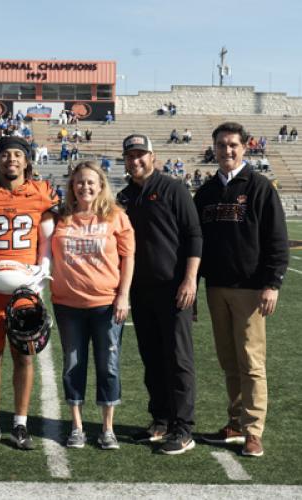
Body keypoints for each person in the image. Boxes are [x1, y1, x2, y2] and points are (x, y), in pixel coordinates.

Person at [194, 122, 289, 457]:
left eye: (233, 145)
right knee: (228, 360)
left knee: (251, 361)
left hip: (250, 289)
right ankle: (234, 422)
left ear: (245, 147)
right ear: (214, 149)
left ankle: (253, 430)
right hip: (215, 288)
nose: (227, 151)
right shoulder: (205, 193)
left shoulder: (261, 187)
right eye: (221, 145)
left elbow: (277, 240)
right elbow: (195, 244)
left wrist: (272, 283)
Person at [0, 136, 58, 450]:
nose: (11, 160)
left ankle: (20, 423)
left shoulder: (42, 193)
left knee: (24, 356)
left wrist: (43, 267)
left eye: (17, 154)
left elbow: (48, 239)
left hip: (26, 289)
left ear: (27, 161)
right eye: (5, 155)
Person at [117, 133, 202, 455]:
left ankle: (184, 427)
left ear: (153, 157)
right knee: (152, 357)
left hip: (174, 289)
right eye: (130, 156)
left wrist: (190, 280)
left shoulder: (174, 188)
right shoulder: (124, 196)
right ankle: (161, 419)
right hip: (140, 291)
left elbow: (194, 236)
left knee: (179, 358)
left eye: (141, 155)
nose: (135, 160)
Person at [51, 162, 134, 450]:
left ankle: (107, 428)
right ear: (72, 186)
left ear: (100, 186)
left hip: (106, 304)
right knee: (73, 364)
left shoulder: (116, 216)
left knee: (108, 365)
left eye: (90, 182)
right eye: (79, 182)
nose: (85, 187)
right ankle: (77, 426)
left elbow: (128, 259)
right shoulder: (60, 217)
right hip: (68, 304)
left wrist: (123, 296)